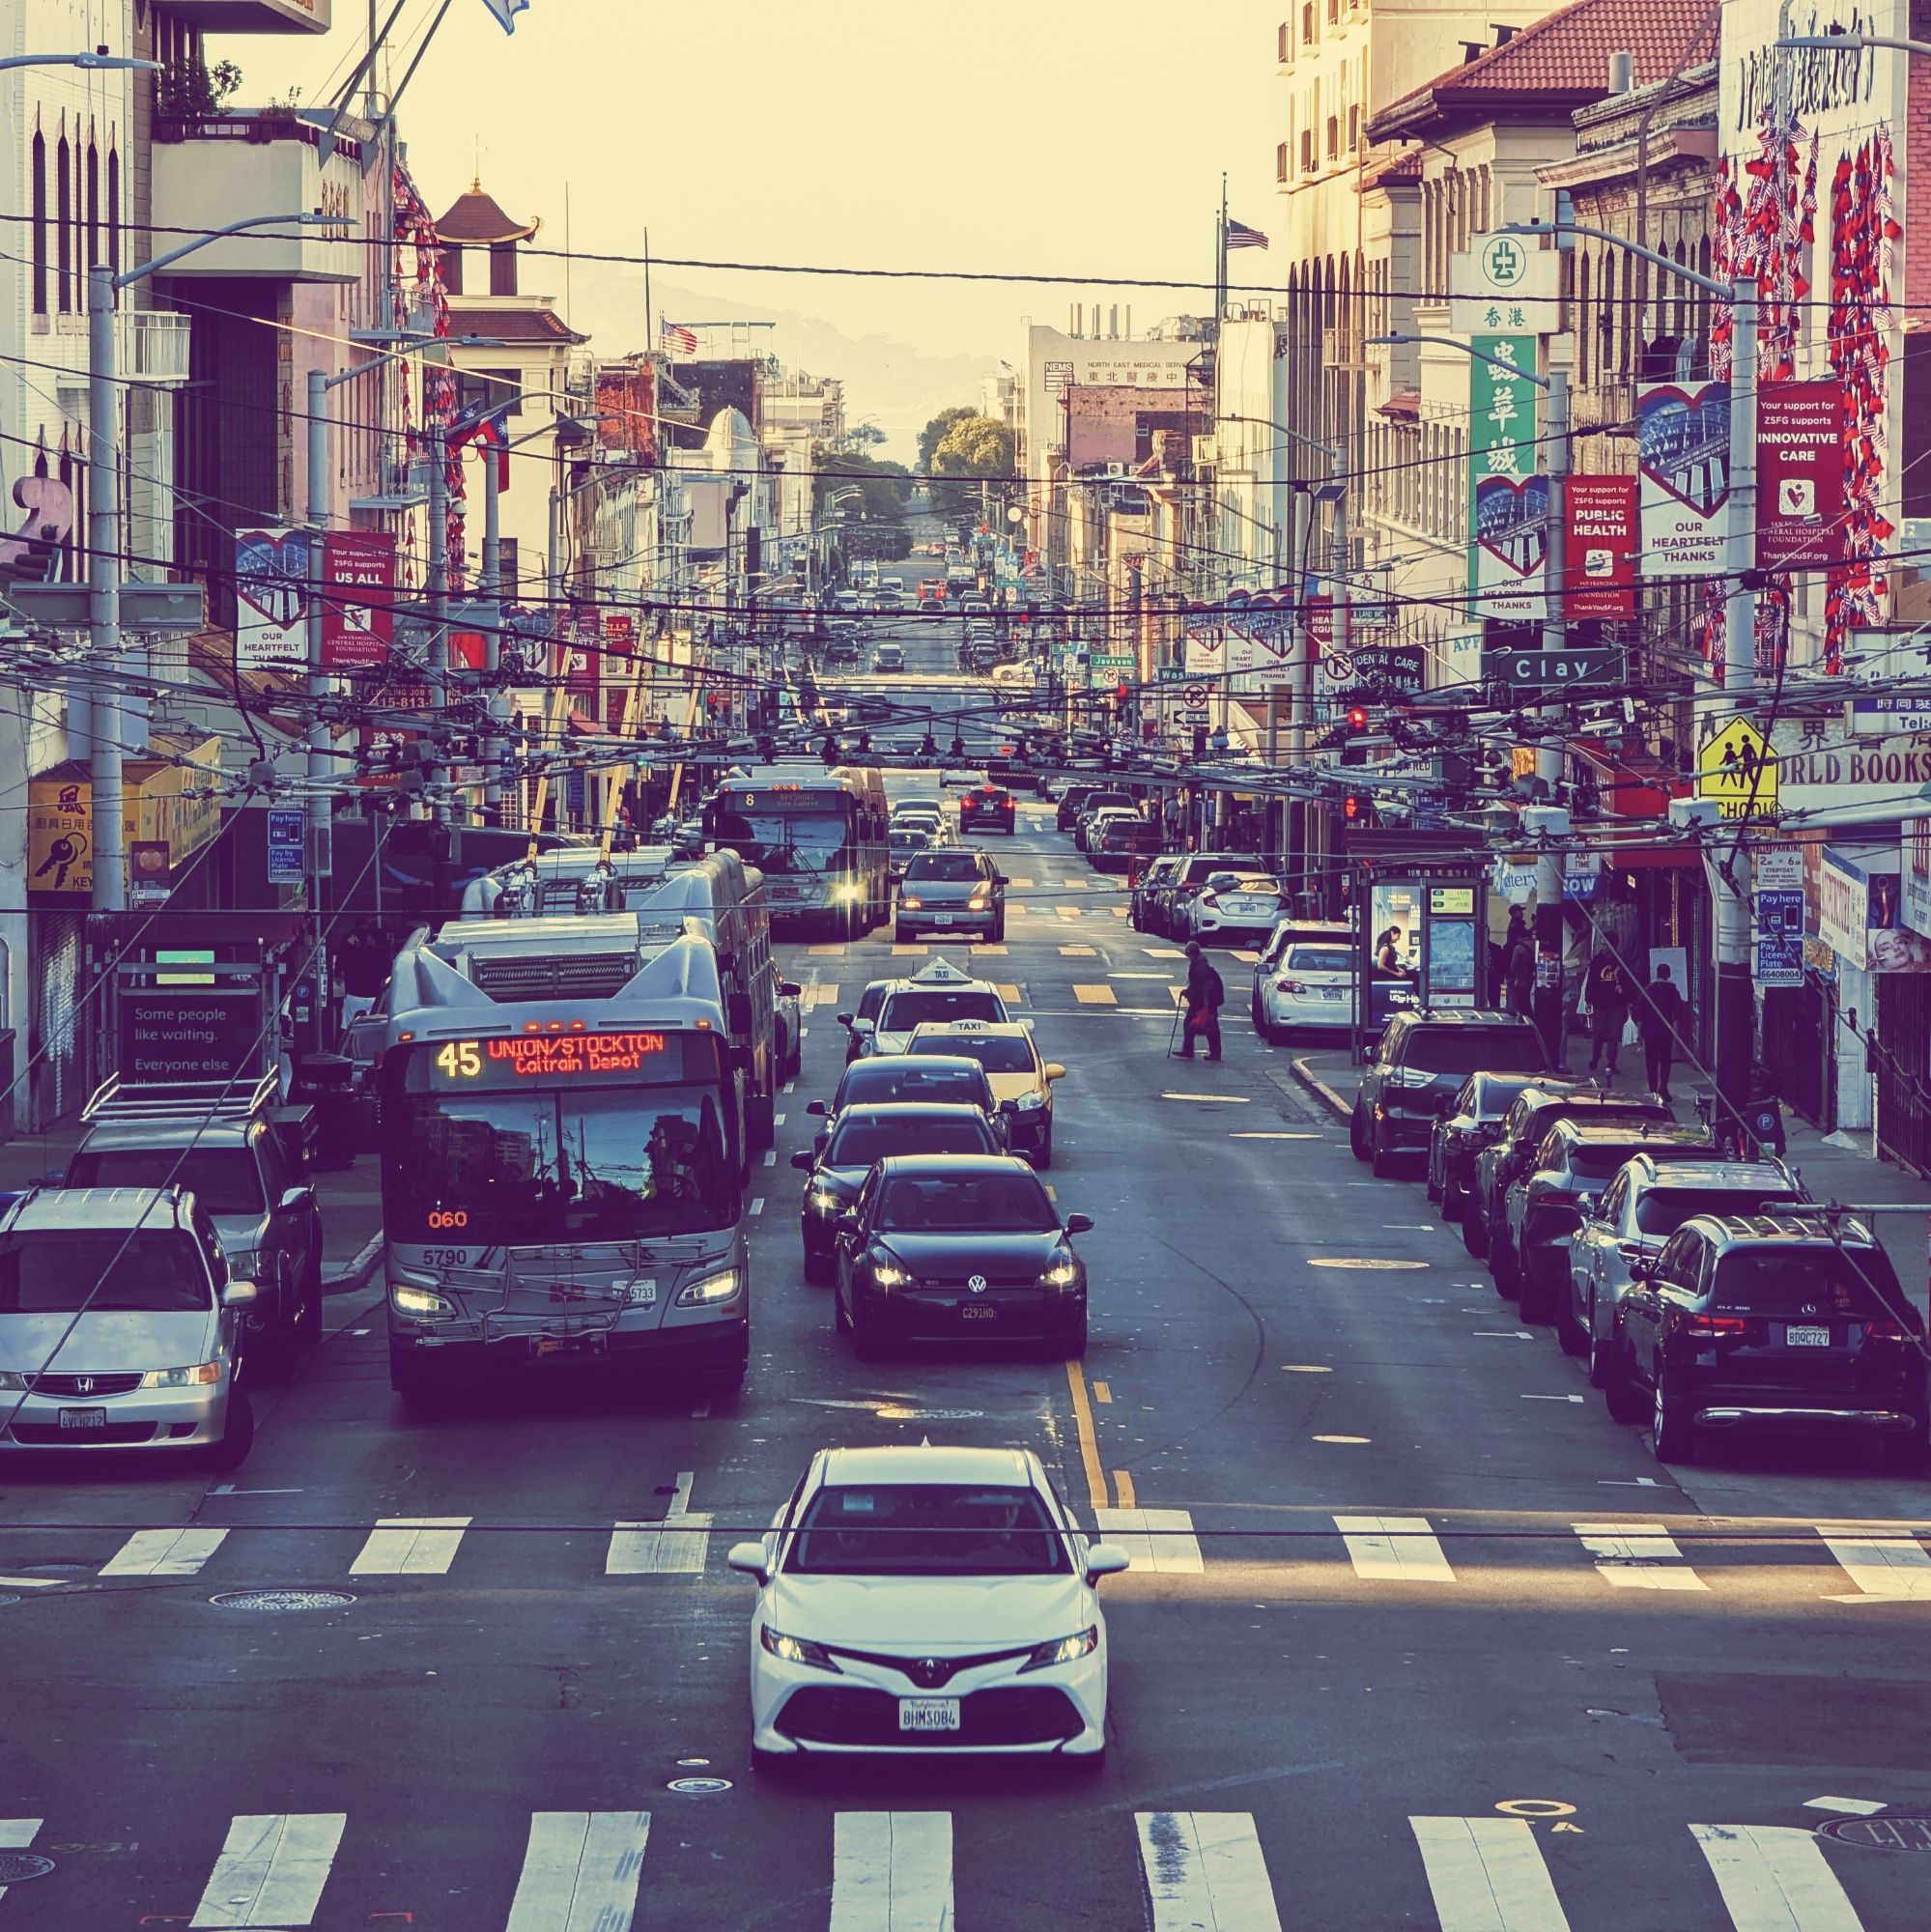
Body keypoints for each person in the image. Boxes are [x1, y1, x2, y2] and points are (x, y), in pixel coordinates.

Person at [1640, 961, 1686, 1102]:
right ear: (1669, 975)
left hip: (1650, 1031)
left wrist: (1640, 1029)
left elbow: (1640, 1011)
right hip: (1665, 1030)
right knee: (1665, 1060)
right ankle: (1663, 1087)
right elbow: (1678, 1012)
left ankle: (1652, 1089)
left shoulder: (1648, 991)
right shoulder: (1673, 991)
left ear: (1657, 974)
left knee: (1651, 1061)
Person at [1584, 947, 1632, 1079]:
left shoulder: (1621, 961)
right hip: (1600, 1003)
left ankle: (1611, 1062)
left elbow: (1627, 979)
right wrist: (1588, 999)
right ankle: (1596, 1056)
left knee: (1614, 1034)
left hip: (1616, 1003)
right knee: (1598, 1033)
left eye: (1605, 943)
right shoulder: (1597, 961)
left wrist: (1627, 995)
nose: (1603, 947)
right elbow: (1591, 980)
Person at [1179, 941, 1225, 1061]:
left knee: (1210, 1026)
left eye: (1188, 955)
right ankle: (1188, 1050)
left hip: (1205, 1001)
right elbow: (1196, 984)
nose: (1188, 958)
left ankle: (1215, 1053)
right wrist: (1188, 992)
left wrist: (1206, 1002)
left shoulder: (1200, 966)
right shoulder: (1197, 963)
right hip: (1199, 1001)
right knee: (1190, 1023)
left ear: (1192, 953)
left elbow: (1207, 984)